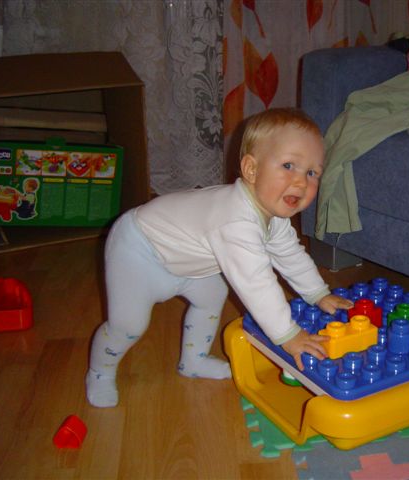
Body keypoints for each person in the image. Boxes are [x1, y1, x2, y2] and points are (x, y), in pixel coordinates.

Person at [86, 108, 354, 408]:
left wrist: (318, 293)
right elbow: (255, 282)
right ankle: (100, 372)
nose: (301, 182)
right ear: (251, 170)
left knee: (212, 294)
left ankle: (194, 361)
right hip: (138, 249)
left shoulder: (272, 214)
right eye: (288, 165)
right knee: (128, 325)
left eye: (312, 172)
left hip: (185, 258)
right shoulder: (235, 221)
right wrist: (288, 335)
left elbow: (290, 254)